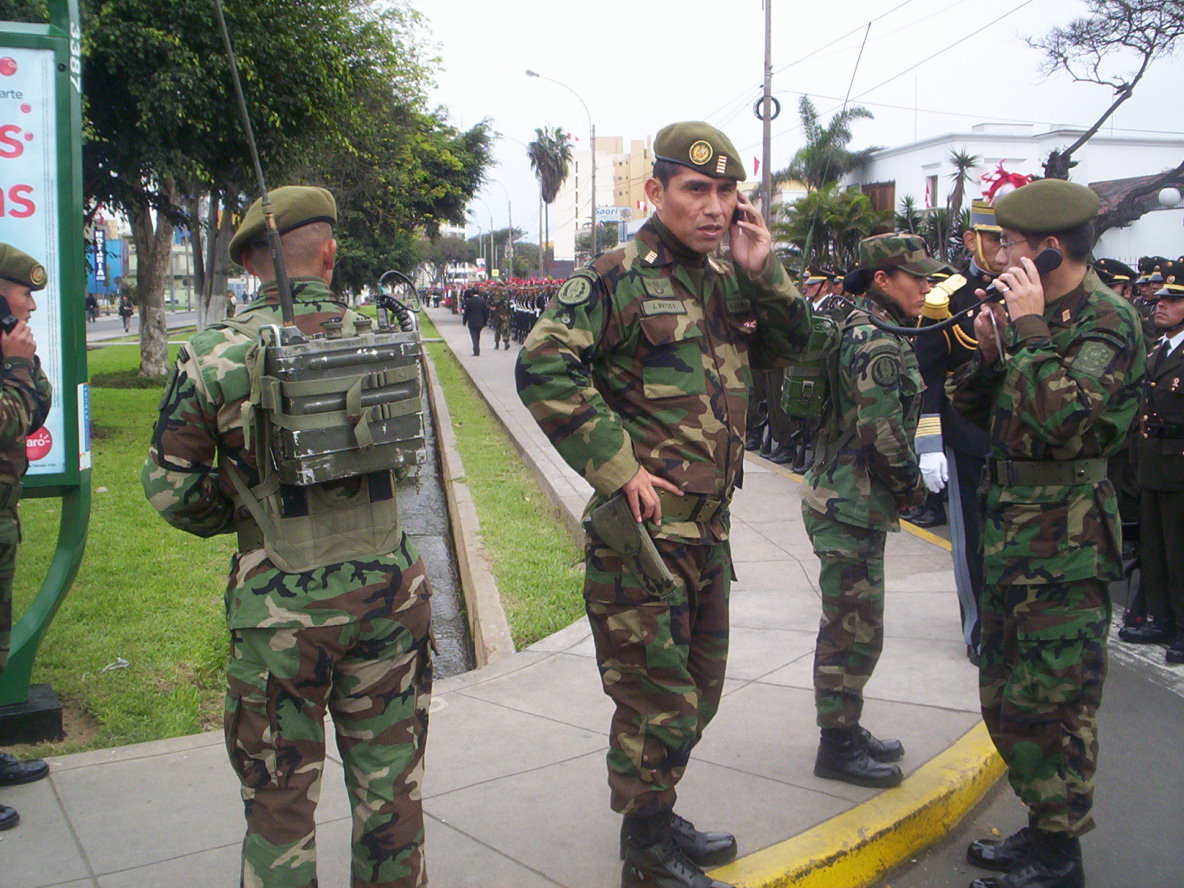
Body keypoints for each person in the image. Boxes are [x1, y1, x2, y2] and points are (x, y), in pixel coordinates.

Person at [517, 121, 811, 888]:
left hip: (707, 534)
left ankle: (658, 813)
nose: (713, 207)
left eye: (725, 193)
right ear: (656, 192)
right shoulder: (617, 277)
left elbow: (793, 348)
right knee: (658, 700)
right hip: (643, 539)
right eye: (695, 190)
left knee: (699, 690)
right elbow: (544, 363)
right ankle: (644, 852)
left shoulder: (726, 277)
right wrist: (616, 469)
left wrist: (764, 267)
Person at [142, 186, 432, 888]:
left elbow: (170, 488)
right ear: (329, 254)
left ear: (248, 264)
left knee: (279, 810)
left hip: (279, 616)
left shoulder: (213, 356)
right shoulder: (381, 335)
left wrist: (248, 511)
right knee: (394, 799)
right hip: (390, 597)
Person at [947, 179, 1144, 888]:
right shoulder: (1032, 318)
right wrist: (994, 344)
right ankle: (1040, 829)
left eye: (1010, 243)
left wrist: (1029, 335)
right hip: (1012, 539)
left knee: (1056, 704)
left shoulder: (1107, 322)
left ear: (1050, 250)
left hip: (1067, 548)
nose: (995, 252)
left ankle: (1060, 853)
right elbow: (970, 405)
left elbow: (1065, 425)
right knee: (1007, 697)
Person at [800, 233, 934, 789]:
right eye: (915, 277)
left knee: (856, 626)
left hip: (847, 497)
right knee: (850, 631)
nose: (926, 286)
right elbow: (881, 432)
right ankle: (836, 744)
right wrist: (915, 490)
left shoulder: (864, 325)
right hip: (849, 502)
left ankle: (846, 727)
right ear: (882, 280)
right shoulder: (877, 341)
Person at [912, 199, 1003, 662]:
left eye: (1010, 239)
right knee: (973, 539)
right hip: (966, 436)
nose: (1003, 250)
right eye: (993, 239)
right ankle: (979, 628)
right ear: (971, 240)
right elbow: (927, 375)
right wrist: (930, 444)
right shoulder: (947, 298)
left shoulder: (1033, 290)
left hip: (1020, 438)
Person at [0, 243, 53, 831]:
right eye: (23, 293)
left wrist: (19, 366)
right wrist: (17, 369)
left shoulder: (9, 348)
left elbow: (36, 409)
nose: (32, 305)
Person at [1121, 268, 1184, 662]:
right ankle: (1161, 616)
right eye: (1161, 299)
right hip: (1154, 465)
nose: (1161, 304)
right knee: (1156, 548)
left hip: (1180, 466)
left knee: (1181, 550)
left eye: (1174, 301)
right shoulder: (1161, 349)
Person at [461, 285, 488, 355]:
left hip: (472, 322)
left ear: (472, 294)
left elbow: (466, 312)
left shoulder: (469, 301)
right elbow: (485, 312)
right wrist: (485, 321)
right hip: (480, 321)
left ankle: (476, 349)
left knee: (474, 336)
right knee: (478, 335)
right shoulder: (482, 301)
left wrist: (464, 321)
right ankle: (476, 348)